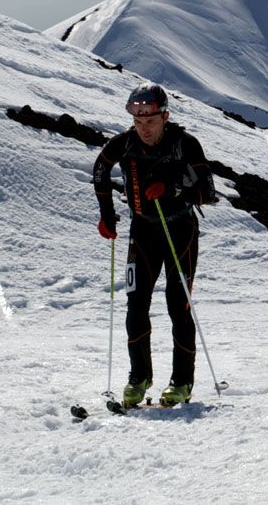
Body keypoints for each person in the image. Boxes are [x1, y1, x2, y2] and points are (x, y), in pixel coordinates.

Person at [93, 83, 217, 408]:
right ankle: (139, 377)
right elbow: (101, 169)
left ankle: (182, 381)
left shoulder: (185, 144)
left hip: (180, 231)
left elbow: (207, 190)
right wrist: (107, 215)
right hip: (142, 232)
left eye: (150, 122)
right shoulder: (125, 143)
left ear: (165, 117)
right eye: (138, 123)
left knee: (179, 306)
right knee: (135, 307)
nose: (144, 129)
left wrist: (173, 187)